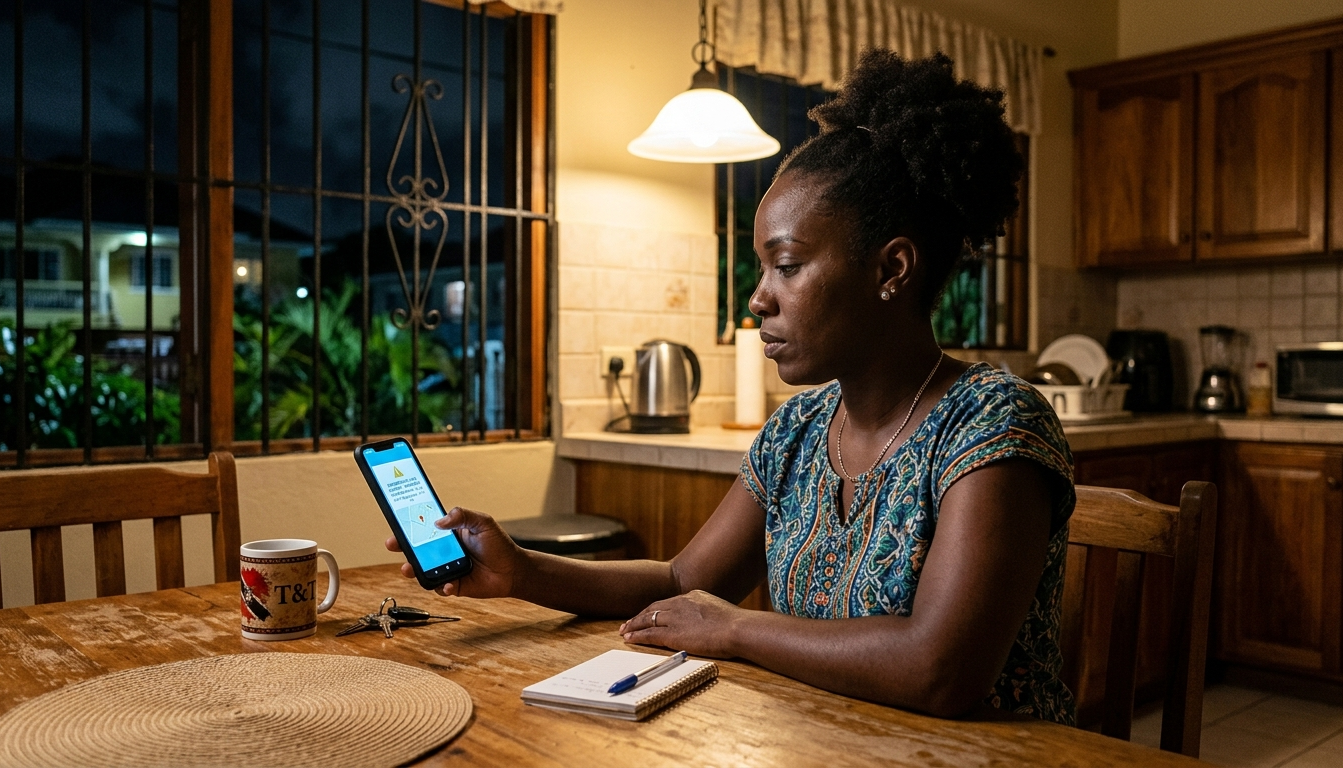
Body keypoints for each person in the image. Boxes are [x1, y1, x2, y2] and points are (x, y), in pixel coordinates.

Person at [386, 49, 1076, 725]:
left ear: (891, 268)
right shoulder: (799, 429)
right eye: (761, 268)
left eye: (787, 265)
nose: (757, 299)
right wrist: (520, 571)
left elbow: (940, 670)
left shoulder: (994, 422)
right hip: (829, 744)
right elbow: (683, 583)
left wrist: (737, 629)